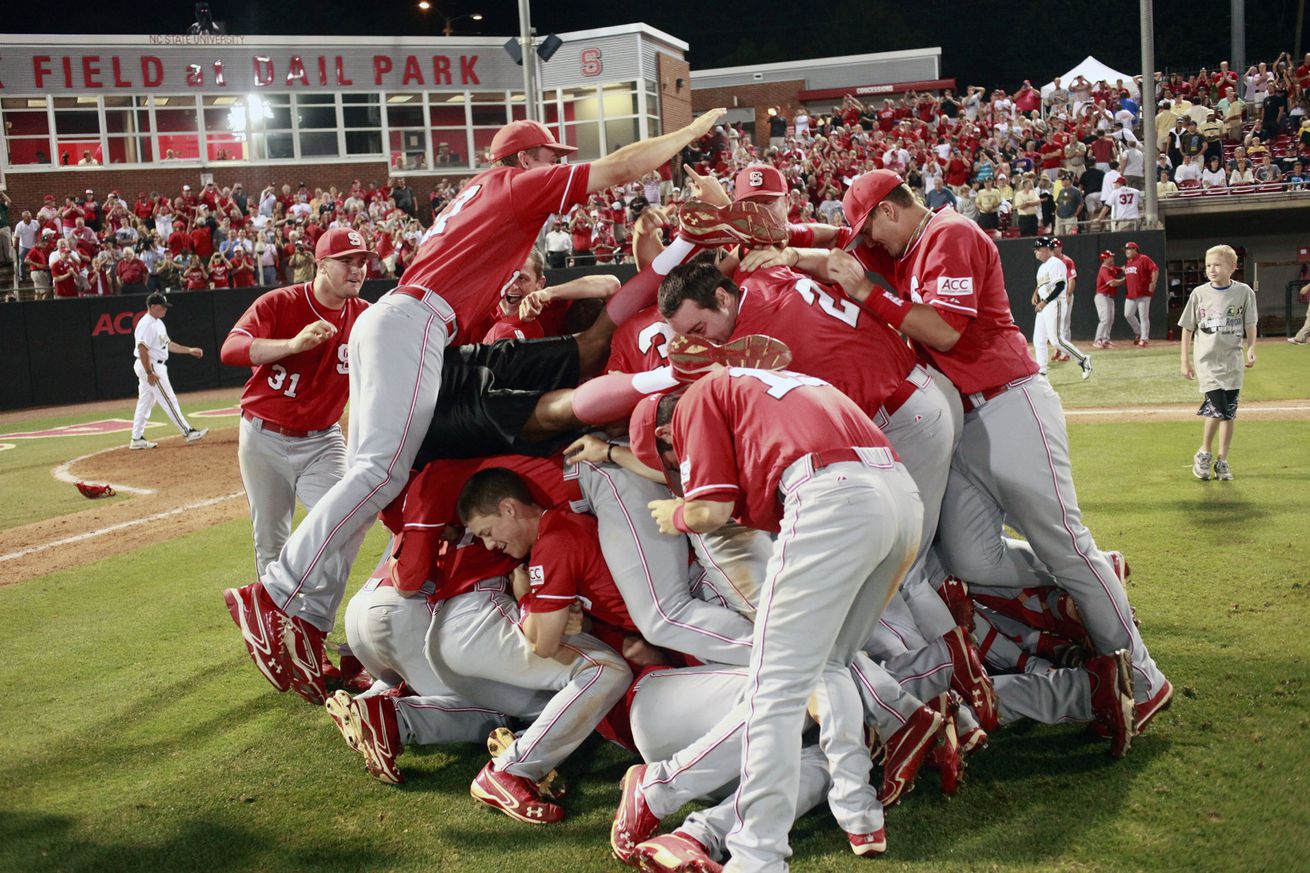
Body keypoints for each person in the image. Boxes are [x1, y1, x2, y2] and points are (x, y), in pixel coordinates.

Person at [223, 110, 728, 706]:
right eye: (549, 155)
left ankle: (302, 610)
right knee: (379, 474)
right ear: (521, 159)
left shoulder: (488, 196)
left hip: (418, 330)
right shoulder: (515, 185)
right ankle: (278, 592)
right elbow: (618, 167)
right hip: (416, 324)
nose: (557, 165)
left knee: (373, 479)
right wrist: (687, 136)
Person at [760, 169, 1171, 742]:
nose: (870, 244)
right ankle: (1091, 583)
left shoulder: (948, 232)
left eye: (871, 228)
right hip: (966, 417)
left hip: (1009, 403)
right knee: (972, 559)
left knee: (1065, 544)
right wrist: (779, 248)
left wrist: (865, 293)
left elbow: (944, 332)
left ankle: (1144, 676)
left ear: (888, 209)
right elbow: (834, 243)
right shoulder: (910, 243)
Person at [616, 368, 924, 868]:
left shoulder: (696, 403)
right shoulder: (764, 384)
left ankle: (756, 855)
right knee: (831, 664)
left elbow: (709, 512)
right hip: (900, 495)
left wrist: (676, 514)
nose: (679, 471)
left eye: (671, 460)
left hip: (832, 496)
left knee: (774, 692)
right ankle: (860, 813)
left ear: (667, 435)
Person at [219, 228, 372, 575]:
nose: (357, 269)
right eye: (346, 261)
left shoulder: (367, 316)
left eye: (362, 261)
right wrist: (290, 345)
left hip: (323, 440)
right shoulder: (280, 302)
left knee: (339, 526)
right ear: (320, 265)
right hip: (264, 437)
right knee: (270, 541)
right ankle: (274, 621)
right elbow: (230, 349)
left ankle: (312, 619)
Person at [1179, 245, 1257, 481]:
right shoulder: (1199, 294)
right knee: (1217, 407)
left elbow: (1250, 323)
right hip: (1207, 361)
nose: (1212, 269)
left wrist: (1252, 347)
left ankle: (1222, 460)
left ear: (1233, 267)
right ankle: (1204, 453)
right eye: (1209, 265)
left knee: (1229, 413)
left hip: (1232, 361)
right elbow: (1187, 328)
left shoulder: (1244, 292)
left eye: (1218, 265)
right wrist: (1185, 360)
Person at [128, 292, 209, 450]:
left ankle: (137, 438)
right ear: (153, 307)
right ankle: (188, 432)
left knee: (146, 402)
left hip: (154, 365)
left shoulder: (158, 323)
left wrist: (189, 350)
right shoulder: (146, 324)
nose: (165, 309)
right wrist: (149, 372)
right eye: (162, 306)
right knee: (168, 399)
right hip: (150, 366)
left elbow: (168, 345)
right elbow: (142, 349)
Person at [1030, 238, 1092, 379]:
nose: (1036, 252)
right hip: (1045, 304)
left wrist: (1045, 301)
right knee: (1038, 339)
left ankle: (1083, 360)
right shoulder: (1042, 267)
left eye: (1038, 249)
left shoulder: (1056, 263)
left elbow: (1060, 286)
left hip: (1054, 303)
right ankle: (1042, 372)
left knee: (1056, 339)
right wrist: (1036, 295)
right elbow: (1044, 286)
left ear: (1046, 249)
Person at [1121, 241, 1158, 347]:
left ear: (1135, 250)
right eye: (1126, 250)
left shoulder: (1143, 258)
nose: (1127, 251)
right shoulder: (1128, 262)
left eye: (1129, 249)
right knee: (1128, 314)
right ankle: (1139, 332)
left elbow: (1154, 269)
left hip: (1143, 293)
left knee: (1143, 317)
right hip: (1131, 294)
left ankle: (1144, 339)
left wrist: (1153, 282)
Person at [1092, 250, 1124, 348]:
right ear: (1105, 259)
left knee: (1110, 319)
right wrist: (1125, 280)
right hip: (1102, 296)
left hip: (1109, 297)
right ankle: (1097, 340)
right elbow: (1112, 283)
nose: (1112, 258)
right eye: (1110, 257)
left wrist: (1127, 268)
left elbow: (1121, 269)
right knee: (1105, 319)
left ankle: (1105, 340)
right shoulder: (1104, 269)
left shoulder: (1111, 268)